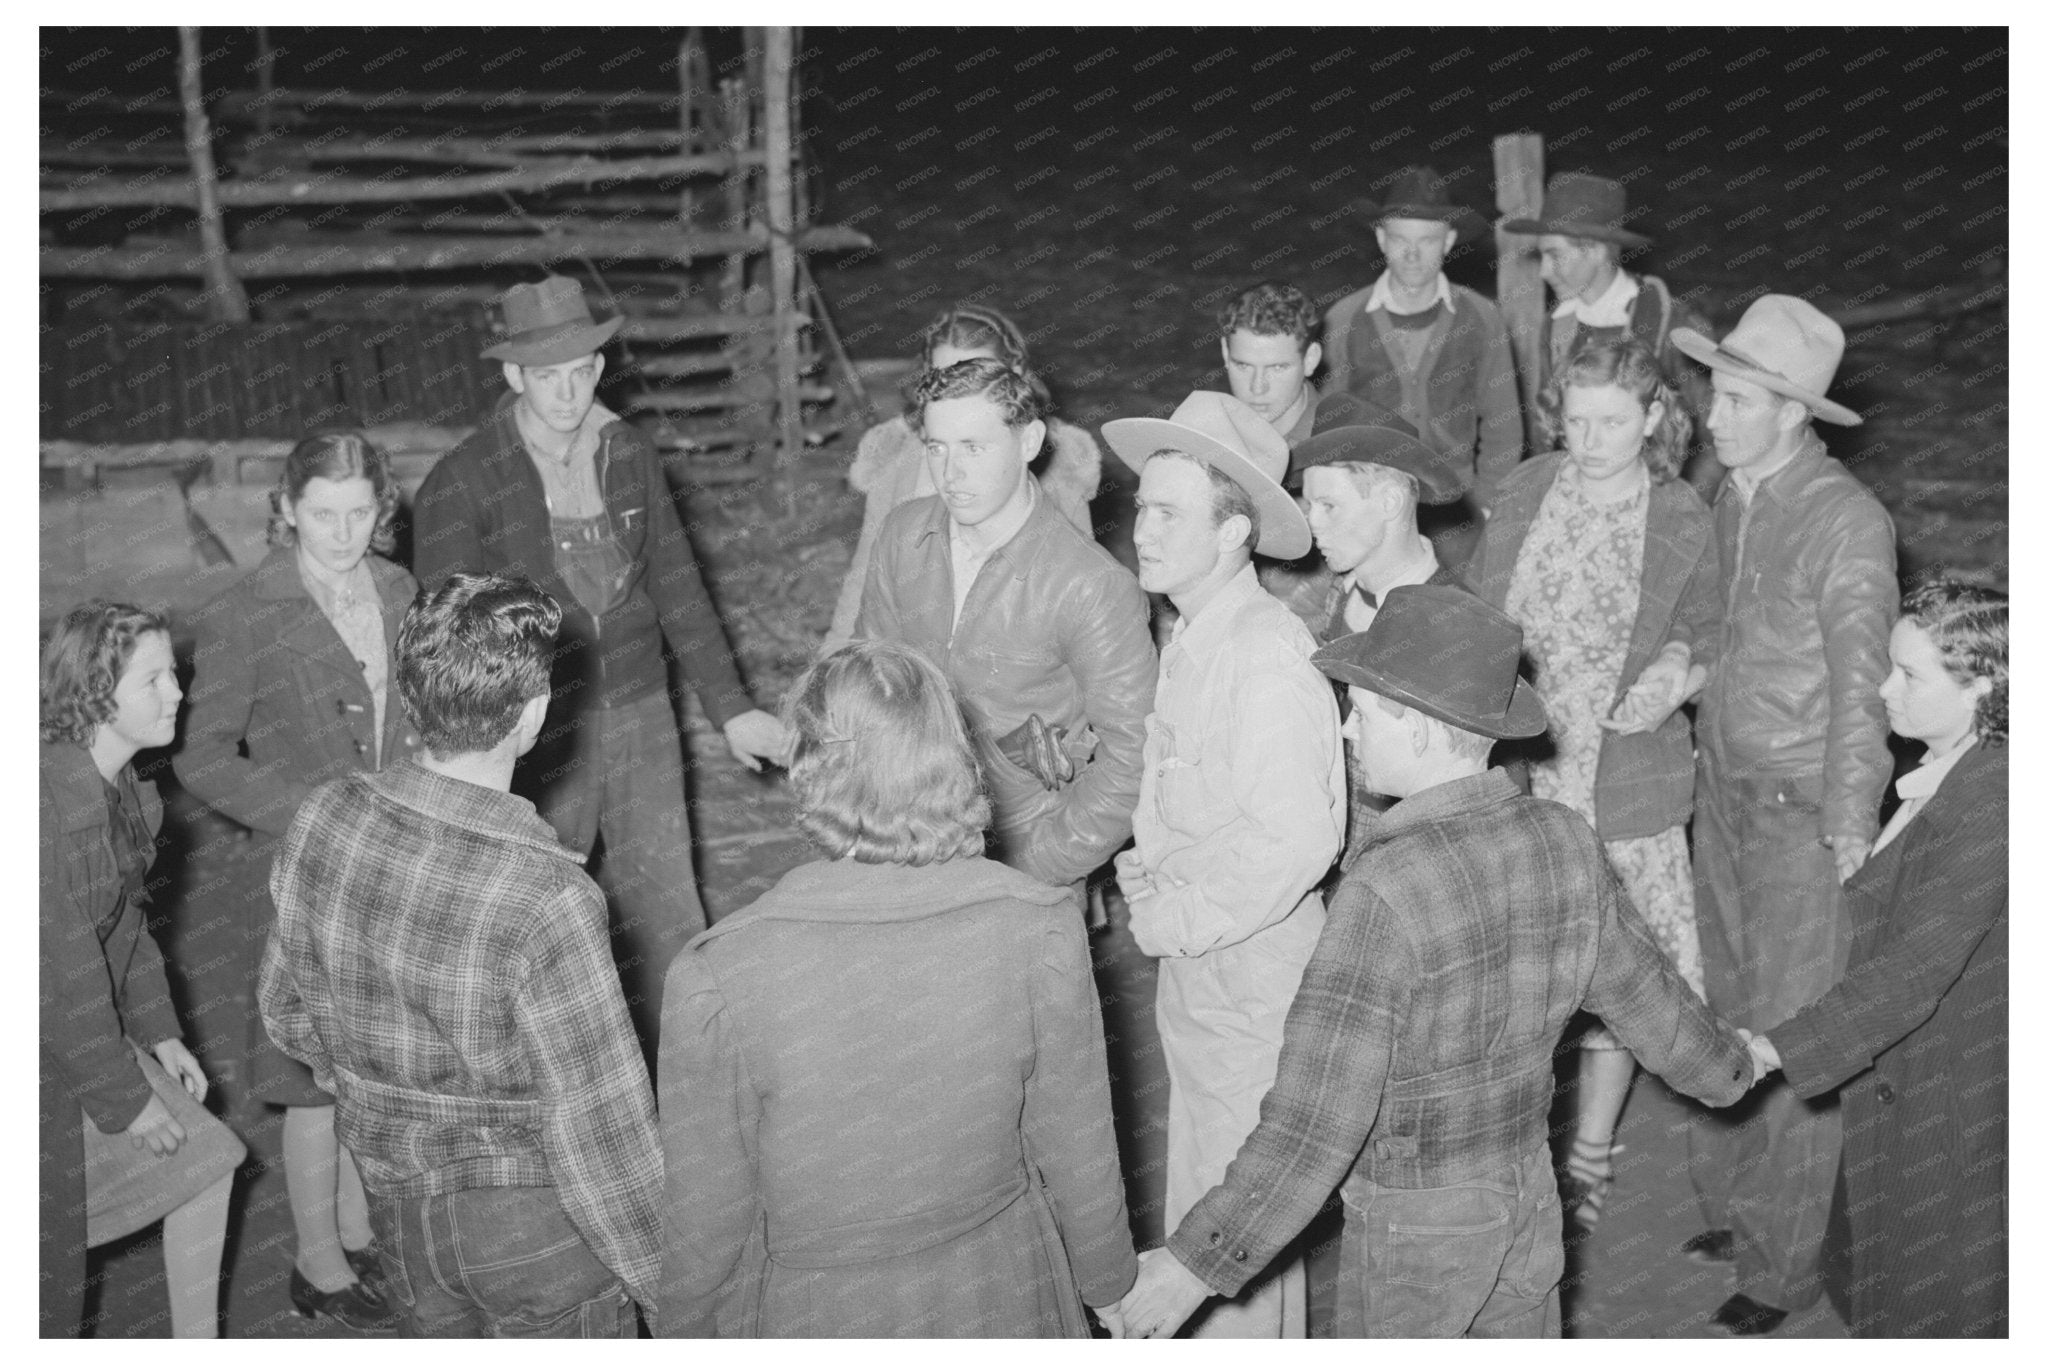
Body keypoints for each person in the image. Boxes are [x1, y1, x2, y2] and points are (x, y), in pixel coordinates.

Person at [1113, 587, 1766, 1339]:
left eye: (1364, 710)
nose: (1350, 730)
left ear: (1422, 730)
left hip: (1415, 1224)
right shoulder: (1562, 838)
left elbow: (1315, 1121)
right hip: (1526, 1193)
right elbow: (1652, 1003)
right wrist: (1734, 1068)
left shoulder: (1383, 891)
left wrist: (1196, 1262)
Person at [655, 640, 1139, 1337]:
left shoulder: (720, 973)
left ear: (810, 763)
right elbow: (1076, 1141)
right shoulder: (1036, 927)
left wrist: (684, 1333)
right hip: (1001, 1288)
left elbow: (707, 1217)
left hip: (818, 1311)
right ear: (951, 753)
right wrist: (1109, 1284)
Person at [259, 572, 662, 1337]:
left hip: (398, 1216)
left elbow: (287, 1015)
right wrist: (674, 1293)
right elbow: (603, 1136)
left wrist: (387, 1101)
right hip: (535, 1232)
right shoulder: (549, 897)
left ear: (409, 693)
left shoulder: (324, 816)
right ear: (534, 712)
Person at [412, 275, 789, 1047]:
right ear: (513, 375)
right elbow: (448, 633)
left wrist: (731, 705)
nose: (567, 391)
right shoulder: (465, 478)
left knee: (668, 905)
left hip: (642, 707)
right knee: (534, 908)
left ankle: (695, 1070)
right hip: (537, 725)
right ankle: (535, 1071)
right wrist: (480, 741)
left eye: (581, 371)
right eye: (547, 376)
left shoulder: (628, 453)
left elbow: (677, 581)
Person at [1669, 294, 1898, 1335]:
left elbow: (1865, 686)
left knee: (1791, 1038)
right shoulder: (1735, 493)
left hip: (1800, 813)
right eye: (1713, 392)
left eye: (1733, 399)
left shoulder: (1843, 522)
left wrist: (1849, 823)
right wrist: (1687, 673)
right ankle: (1736, 1215)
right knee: (1725, 1011)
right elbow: (1726, 624)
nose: (1711, 416)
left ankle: (1778, 1273)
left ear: (1792, 412)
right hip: (1720, 793)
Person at [1100, 391, 1343, 1337]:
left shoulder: (1264, 654)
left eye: (1168, 512)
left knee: (1234, 1242)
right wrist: (1154, 865)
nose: (1141, 528)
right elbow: (1205, 804)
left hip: (1253, 987)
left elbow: (1297, 838)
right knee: (1212, 1222)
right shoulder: (1193, 633)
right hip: (1208, 981)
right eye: (1141, 505)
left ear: (1235, 531)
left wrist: (1173, 914)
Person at [1468, 338, 1720, 1229]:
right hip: (1529, 772)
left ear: (1653, 416)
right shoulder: (1531, 487)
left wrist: (1679, 674)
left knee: (1617, 972)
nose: (1590, 438)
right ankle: (1518, 1149)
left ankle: (1591, 1151)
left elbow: (1710, 624)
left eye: (1612, 420)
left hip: (1624, 780)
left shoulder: (1684, 512)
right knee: (1521, 974)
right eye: (1574, 419)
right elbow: (1484, 609)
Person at [176, 431, 417, 1330]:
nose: (344, 532)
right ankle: (316, 1264)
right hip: (308, 861)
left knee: (367, 1054)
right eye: (324, 513)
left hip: (389, 854)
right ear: (286, 509)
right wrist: (306, 806)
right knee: (310, 1067)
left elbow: (416, 712)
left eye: (361, 512)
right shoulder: (249, 608)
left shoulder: (397, 589)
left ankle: (356, 1231)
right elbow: (203, 756)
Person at [1752, 582, 2007, 1338]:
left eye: (1911, 674)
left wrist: (1774, 1048)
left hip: (1954, 1095)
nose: (1883, 687)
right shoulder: (1956, 767)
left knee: (1941, 1302)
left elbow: (1912, 972)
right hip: (1917, 1078)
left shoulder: (1997, 802)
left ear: (1983, 686)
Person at [854, 357, 1154, 895]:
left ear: (1030, 441)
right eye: (937, 448)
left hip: (1026, 851)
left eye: (974, 447)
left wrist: (1038, 867)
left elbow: (1134, 756)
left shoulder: (1091, 586)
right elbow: (870, 684)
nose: (951, 473)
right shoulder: (903, 535)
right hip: (906, 839)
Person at [41, 601, 246, 1338]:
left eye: (174, 674)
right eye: (154, 678)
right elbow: (57, 983)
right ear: (97, 692)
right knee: (42, 1288)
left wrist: (159, 1030)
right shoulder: (41, 808)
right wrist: (128, 1100)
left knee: (211, 1157)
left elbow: (125, 927)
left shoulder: (124, 787)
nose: (178, 692)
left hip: (66, 1033)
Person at [826, 302, 1102, 650]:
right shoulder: (898, 461)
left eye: (979, 376)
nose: (960, 394)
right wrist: (832, 664)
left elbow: (1089, 597)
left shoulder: (1058, 467)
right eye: (944, 377)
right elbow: (863, 582)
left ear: (1016, 371)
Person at [1320, 165, 1521, 523]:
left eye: (1427, 241)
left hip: (1456, 501)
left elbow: (1503, 423)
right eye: (1400, 240)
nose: (1412, 255)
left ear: (1447, 241)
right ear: (1382, 240)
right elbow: (1326, 421)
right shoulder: (1345, 318)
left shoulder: (1481, 316)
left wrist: (1489, 501)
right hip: (1368, 499)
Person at [1503, 172, 1719, 493]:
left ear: (1595, 251)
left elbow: (1718, 436)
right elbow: (1548, 430)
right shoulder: (1558, 324)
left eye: (1555, 255)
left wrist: (1685, 508)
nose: (1544, 271)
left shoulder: (1672, 323)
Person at [1217, 281, 1324, 446]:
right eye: (1243, 366)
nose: (1257, 388)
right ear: (1225, 353)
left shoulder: (1341, 451)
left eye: (1278, 367)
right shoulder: (1205, 439)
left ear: (1310, 359)